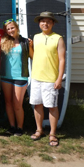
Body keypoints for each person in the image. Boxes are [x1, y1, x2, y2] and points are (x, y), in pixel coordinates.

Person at [29, 12, 65, 147]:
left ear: (53, 23)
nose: (45, 24)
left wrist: (59, 78)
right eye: (42, 21)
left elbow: (62, 60)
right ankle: (39, 130)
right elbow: (34, 56)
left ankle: (52, 134)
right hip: (36, 77)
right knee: (37, 104)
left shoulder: (58, 38)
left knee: (51, 106)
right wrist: (31, 47)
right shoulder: (36, 37)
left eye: (48, 21)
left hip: (51, 79)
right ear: (39, 23)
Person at [0, 19, 33, 136]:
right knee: (8, 102)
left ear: (17, 27)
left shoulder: (25, 42)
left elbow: (32, 56)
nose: (10, 31)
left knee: (17, 104)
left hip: (21, 76)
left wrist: (31, 46)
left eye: (12, 28)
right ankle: (12, 126)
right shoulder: (4, 41)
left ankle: (20, 128)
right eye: (8, 29)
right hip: (5, 76)